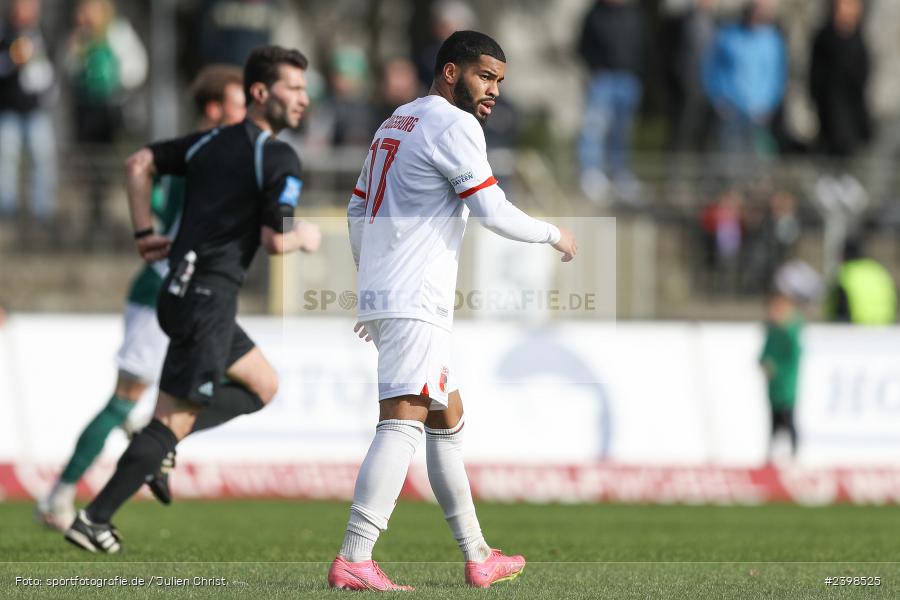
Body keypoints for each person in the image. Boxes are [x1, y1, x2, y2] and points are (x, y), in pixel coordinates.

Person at [328, 31, 577, 591]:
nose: (492, 91)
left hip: (399, 291)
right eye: (484, 76)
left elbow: (356, 207)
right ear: (449, 72)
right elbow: (490, 209)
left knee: (447, 420)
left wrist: (371, 285)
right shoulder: (453, 123)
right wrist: (553, 234)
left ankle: (478, 554)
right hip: (416, 294)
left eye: (499, 81)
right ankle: (355, 557)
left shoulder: (397, 120)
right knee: (402, 423)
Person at [64, 45, 320, 553]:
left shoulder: (206, 144)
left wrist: (143, 233)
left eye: (304, 89)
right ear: (260, 93)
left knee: (262, 385)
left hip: (180, 291)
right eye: (293, 89)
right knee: (172, 421)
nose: (303, 100)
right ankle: (94, 518)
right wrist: (306, 235)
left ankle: (154, 442)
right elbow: (275, 239)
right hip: (207, 302)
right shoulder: (277, 155)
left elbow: (139, 162)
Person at [35, 65, 247, 532]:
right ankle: (61, 494)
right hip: (162, 289)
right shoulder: (205, 154)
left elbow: (157, 193)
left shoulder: (196, 152)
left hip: (185, 289)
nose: (246, 113)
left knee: (248, 381)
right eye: (238, 104)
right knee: (123, 399)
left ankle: (153, 442)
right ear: (214, 110)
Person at [702, 0, 786, 164]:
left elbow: (778, 76)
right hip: (731, 111)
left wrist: (770, 104)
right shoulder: (728, 36)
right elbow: (711, 69)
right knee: (730, 158)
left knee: (759, 161)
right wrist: (718, 99)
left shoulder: (773, 41)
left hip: (760, 113)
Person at [576, 0, 643, 203]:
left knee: (622, 131)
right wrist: (595, 68)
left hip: (628, 79)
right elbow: (582, 46)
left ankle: (620, 173)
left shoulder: (633, 15)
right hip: (602, 79)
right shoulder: (594, 14)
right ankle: (591, 173)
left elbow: (642, 47)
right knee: (594, 128)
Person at [0, 0, 57, 221]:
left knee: (43, 159)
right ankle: (7, 211)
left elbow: (50, 73)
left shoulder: (43, 35)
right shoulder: (4, 34)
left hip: (36, 111)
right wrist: (13, 62)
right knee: (6, 159)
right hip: (8, 110)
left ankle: (42, 213)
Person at [810, 0, 871, 159]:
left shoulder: (859, 38)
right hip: (829, 115)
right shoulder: (824, 37)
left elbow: (862, 77)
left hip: (854, 116)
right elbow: (815, 78)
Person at [759, 289, 803, 462]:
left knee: (787, 417)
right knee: (773, 421)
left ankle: (794, 453)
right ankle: (771, 456)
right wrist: (765, 363)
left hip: (786, 384)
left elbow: (794, 352)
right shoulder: (772, 331)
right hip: (774, 385)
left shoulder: (791, 330)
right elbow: (764, 354)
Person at [824, 237, 897, 325]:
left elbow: (835, 308)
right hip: (887, 328)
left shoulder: (845, 273)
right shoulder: (878, 270)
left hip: (857, 329)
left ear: (843, 253)